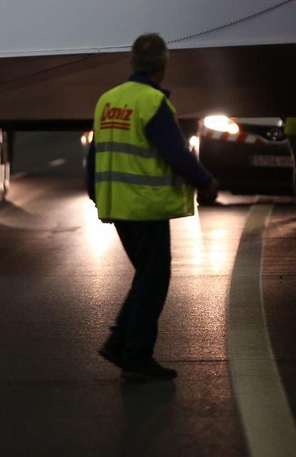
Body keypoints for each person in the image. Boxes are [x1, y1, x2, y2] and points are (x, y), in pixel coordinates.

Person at [87, 33, 217, 382]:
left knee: (147, 275)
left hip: (118, 205)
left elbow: (94, 155)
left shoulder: (108, 100)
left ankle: (120, 342)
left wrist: (95, 193)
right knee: (154, 278)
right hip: (145, 207)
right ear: (162, 66)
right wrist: (205, 181)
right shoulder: (152, 102)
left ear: (132, 63)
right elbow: (175, 152)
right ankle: (136, 355)